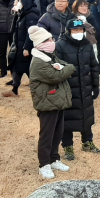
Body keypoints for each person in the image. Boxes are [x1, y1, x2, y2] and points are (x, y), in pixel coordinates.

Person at [27, 25, 75, 178]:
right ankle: (44, 164)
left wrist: (63, 68)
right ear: (41, 42)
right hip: (47, 103)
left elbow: (65, 66)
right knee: (47, 135)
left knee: (57, 132)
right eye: (48, 39)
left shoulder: (50, 56)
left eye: (52, 39)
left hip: (56, 101)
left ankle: (54, 158)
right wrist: (64, 69)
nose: (52, 41)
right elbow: (58, 75)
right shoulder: (39, 61)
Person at [56, 19, 100, 161]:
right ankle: (68, 146)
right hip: (68, 89)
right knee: (67, 118)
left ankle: (87, 142)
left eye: (80, 30)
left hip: (85, 87)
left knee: (86, 115)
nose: (78, 33)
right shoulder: (60, 46)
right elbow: (58, 69)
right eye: (75, 31)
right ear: (68, 31)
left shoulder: (87, 45)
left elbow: (94, 66)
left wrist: (95, 85)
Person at [5, 0, 41, 97]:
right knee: (18, 67)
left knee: (29, 69)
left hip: (26, 47)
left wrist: (26, 48)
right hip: (19, 45)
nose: (16, 4)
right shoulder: (22, 13)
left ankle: (38, 90)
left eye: (18, 2)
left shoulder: (31, 16)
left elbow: (31, 33)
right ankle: (15, 88)